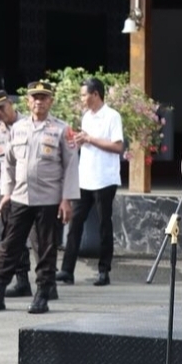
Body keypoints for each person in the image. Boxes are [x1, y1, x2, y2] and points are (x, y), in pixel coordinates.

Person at [0, 81, 78, 315]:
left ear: (51, 101)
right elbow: (9, 164)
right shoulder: (18, 128)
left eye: (44, 97)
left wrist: (66, 199)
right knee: (9, 246)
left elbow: (71, 166)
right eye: (35, 97)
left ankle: (43, 295)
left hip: (48, 199)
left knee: (46, 249)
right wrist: (6, 192)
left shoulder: (62, 129)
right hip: (20, 197)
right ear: (27, 101)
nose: (39, 101)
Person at [57, 77, 122, 286]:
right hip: (85, 178)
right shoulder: (86, 116)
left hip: (105, 178)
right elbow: (86, 143)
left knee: (105, 224)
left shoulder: (112, 116)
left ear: (96, 94)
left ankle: (104, 271)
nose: (82, 98)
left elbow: (118, 146)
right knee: (75, 224)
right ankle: (67, 270)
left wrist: (89, 139)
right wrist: (78, 140)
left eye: (85, 94)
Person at [0, 90, 34, 299]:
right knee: (11, 237)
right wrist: (6, 192)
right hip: (8, 191)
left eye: (1, 107)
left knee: (41, 239)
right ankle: (22, 281)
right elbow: (5, 164)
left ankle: (47, 284)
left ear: (11, 104)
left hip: (33, 189)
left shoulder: (30, 125)